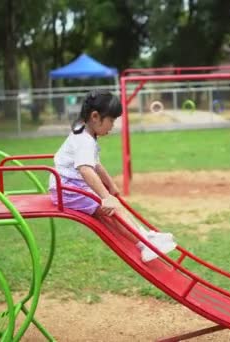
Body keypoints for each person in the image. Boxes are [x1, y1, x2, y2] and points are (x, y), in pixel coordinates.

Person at [49, 89, 176, 262]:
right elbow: (86, 169)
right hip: (68, 191)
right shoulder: (84, 140)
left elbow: (96, 164)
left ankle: (147, 236)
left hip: (70, 186)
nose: (113, 125)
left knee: (116, 206)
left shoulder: (85, 132)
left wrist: (110, 184)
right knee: (112, 209)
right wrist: (105, 196)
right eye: (111, 120)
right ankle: (144, 245)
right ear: (95, 117)